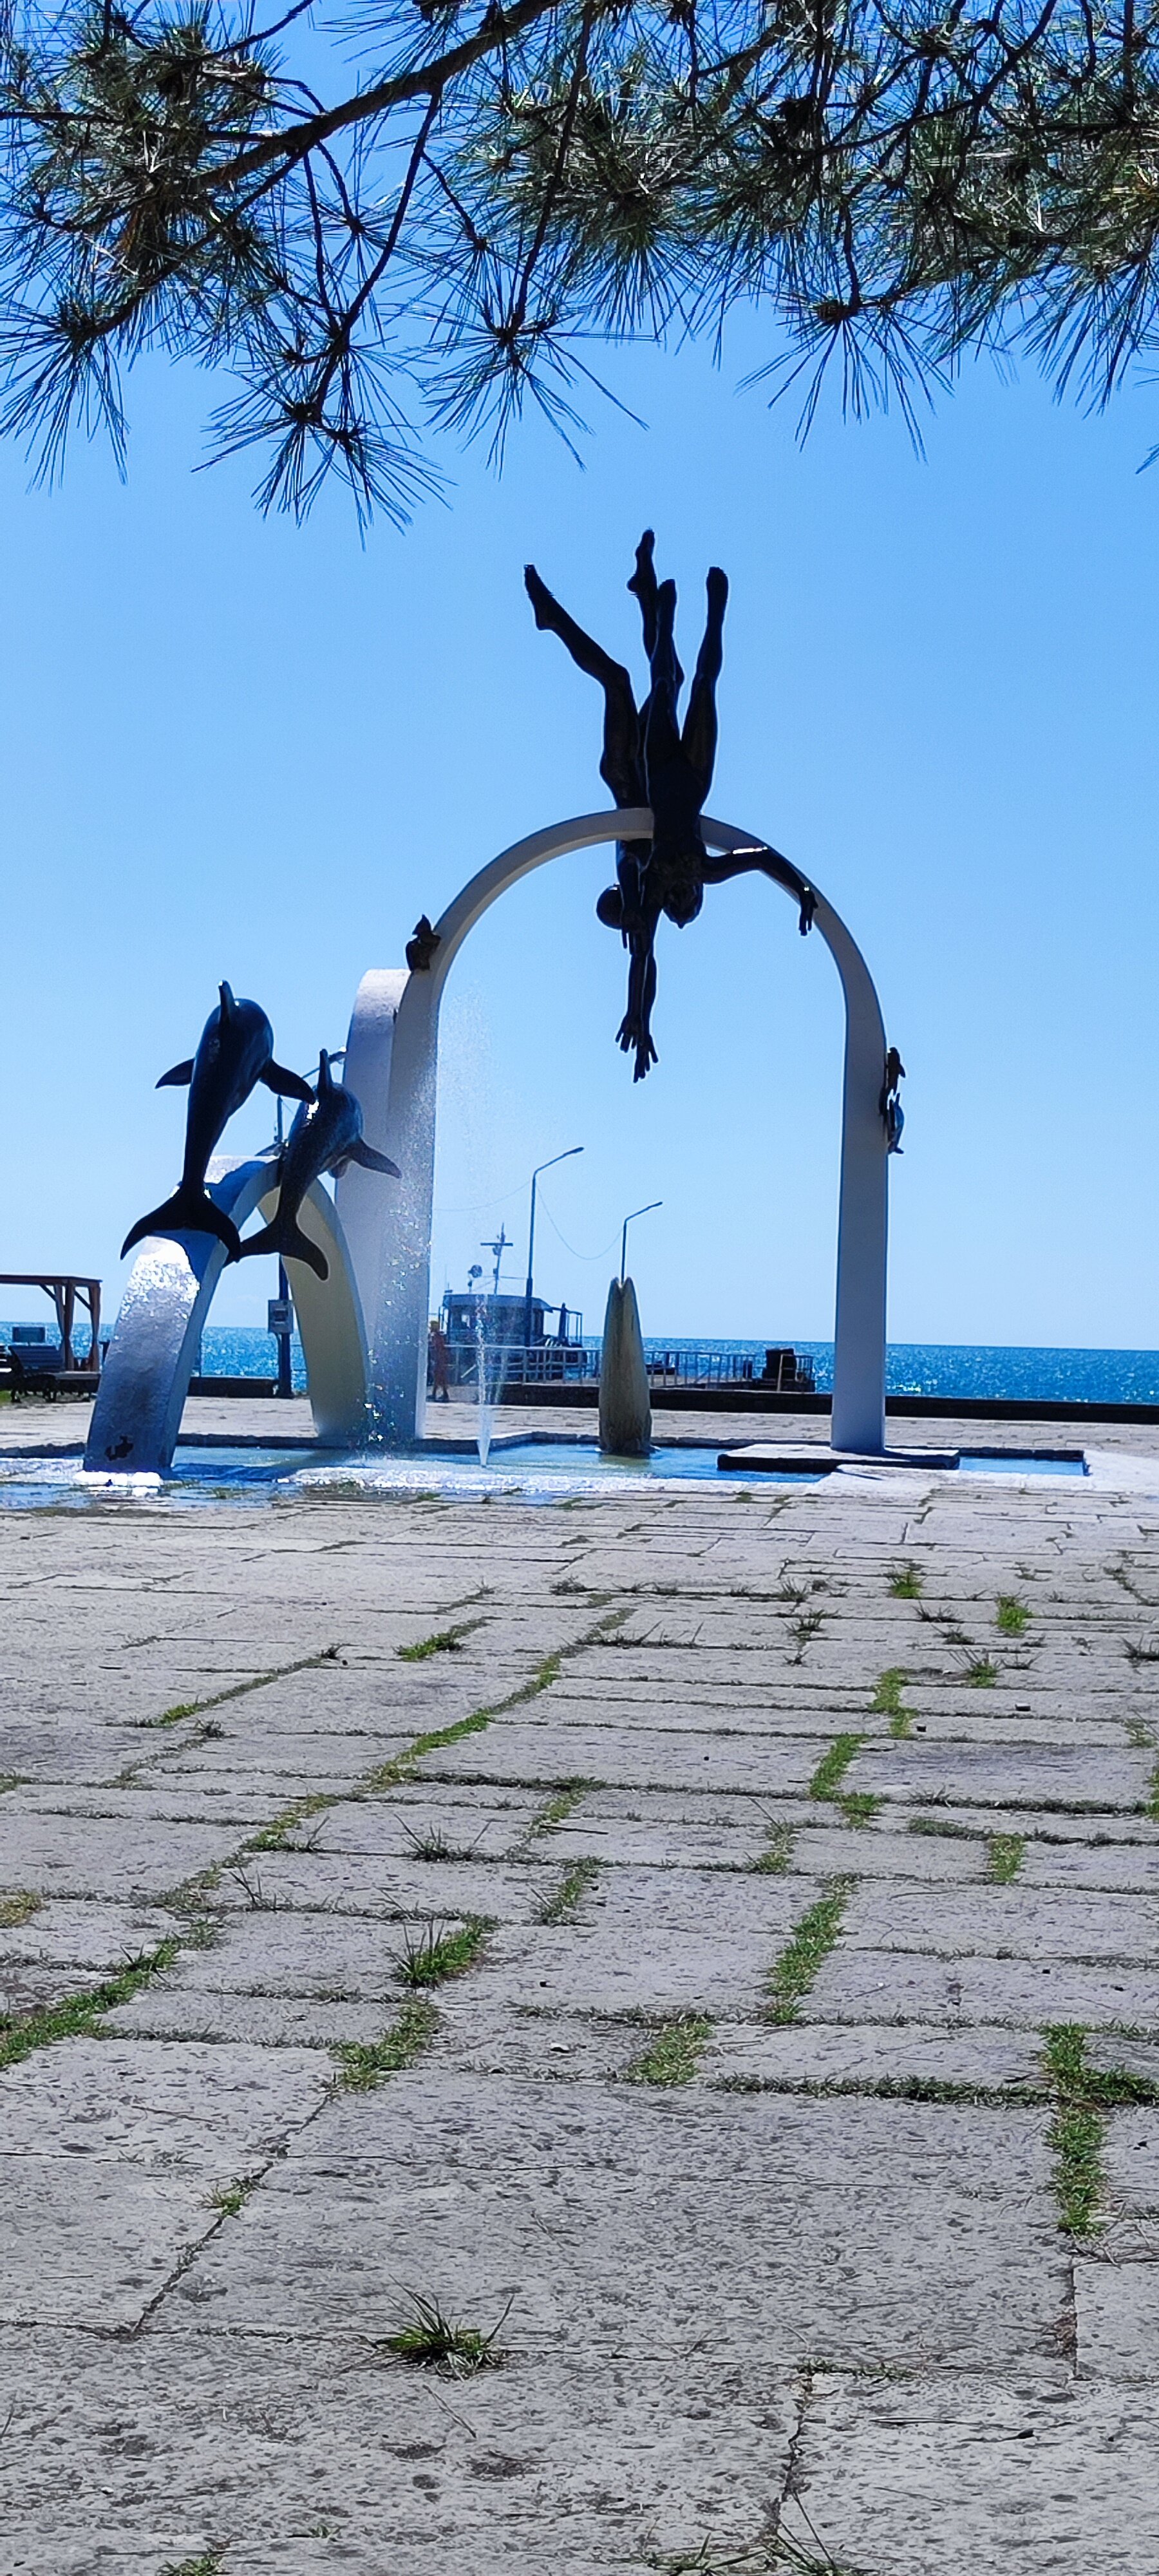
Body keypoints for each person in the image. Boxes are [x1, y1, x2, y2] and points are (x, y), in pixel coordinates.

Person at [525, 531, 727, 1080]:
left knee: (621, 682)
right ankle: (644, 589)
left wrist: (638, 1015)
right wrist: (641, 1016)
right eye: (690, 896)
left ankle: (553, 619)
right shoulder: (658, 874)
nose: (682, 891)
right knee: (670, 681)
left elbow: (643, 957)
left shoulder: (637, 882)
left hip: (626, 773)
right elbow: (646, 958)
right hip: (650, 773)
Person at [428, 1318, 451, 1401]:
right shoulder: (439, 1336)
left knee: (439, 1377)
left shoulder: (436, 1336)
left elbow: (438, 1349)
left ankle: (441, 1394)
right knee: (439, 1378)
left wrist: (437, 1359)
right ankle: (441, 1394)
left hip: (439, 1360)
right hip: (440, 1359)